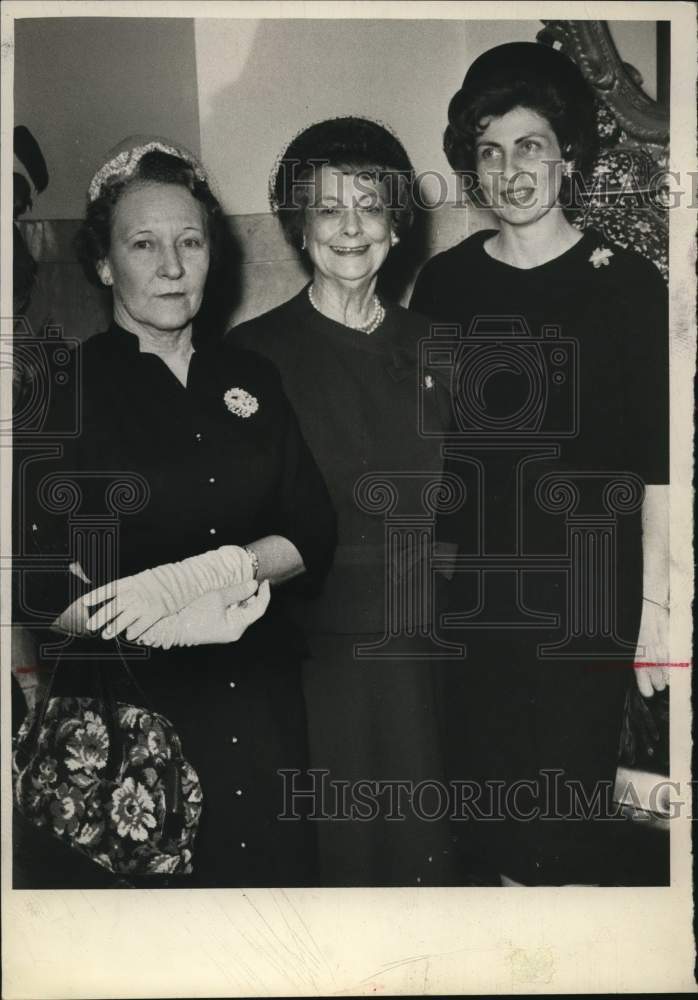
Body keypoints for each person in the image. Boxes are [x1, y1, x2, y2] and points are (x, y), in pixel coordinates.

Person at [16, 135, 336, 888]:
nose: (170, 265)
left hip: (260, 709)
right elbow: (34, 586)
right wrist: (151, 614)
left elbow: (312, 531)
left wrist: (223, 569)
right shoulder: (59, 391)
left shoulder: (251, 377)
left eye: (189, 241)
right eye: (144, 243)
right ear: (103, 263)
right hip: (129, 723)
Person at [410, 42, 670, 886]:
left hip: (586, 595)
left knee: (560, 830)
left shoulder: (626, 286)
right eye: (488, 149)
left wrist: (661, 612)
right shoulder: (444, 286)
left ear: (567, 156)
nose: (509, 168)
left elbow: (658, 467)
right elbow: (428, 451)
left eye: (528, 145)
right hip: (476, 597)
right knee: (481, 828)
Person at [231, 117, 459, 886]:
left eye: (370, 203)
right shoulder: (251, 358)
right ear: (300, 228)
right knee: (331, 868)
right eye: (328, 209)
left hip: (426, 656)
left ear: (398, 221)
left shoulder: (443, 350)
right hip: (307, 658)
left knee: (424, 877)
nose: (351, 227)